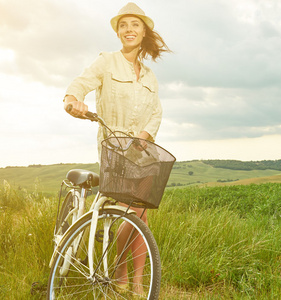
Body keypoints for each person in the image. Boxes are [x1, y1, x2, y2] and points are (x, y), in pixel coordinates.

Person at [63, 2, 170, 296]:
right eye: (123, 25)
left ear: (144, 30)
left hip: (143, 150)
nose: (128, 30)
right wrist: (73, 101)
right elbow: (81, 83)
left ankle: (136, 281)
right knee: (133, 211)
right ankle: (123, 273)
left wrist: (144, 135)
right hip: (114, 148)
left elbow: (156, 112)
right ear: (118, 32)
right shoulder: (107, 61)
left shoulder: (149, 75)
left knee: (142, 214)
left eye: (135, 24)